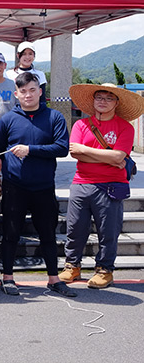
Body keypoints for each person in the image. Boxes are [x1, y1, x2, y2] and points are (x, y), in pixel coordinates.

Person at [0, 72, 75, 297]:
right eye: (23, 91)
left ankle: (54, 279)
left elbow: (62, 148)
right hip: (14, 186)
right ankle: (8, 278)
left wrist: (30, 150)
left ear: (40, 92)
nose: (28, 95)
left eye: (32, 90)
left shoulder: (54, 117)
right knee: (10, 233)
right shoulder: (8, 119)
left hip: (44, 187)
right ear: (16, 94)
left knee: (48, 234)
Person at [59, 83, 144, 289]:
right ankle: (72, 265)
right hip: (81, 183)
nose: (103, 101)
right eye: (99, 97)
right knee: (75, 228)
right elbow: (75, 153)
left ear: (116, 103)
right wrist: (110, 158)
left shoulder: (125, 127)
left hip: (111, 185)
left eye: (108, 98)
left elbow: (119, 156)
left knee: (108, 231)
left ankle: (105, 269)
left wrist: (90, 151)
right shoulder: (81, 125)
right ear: (93, 101)